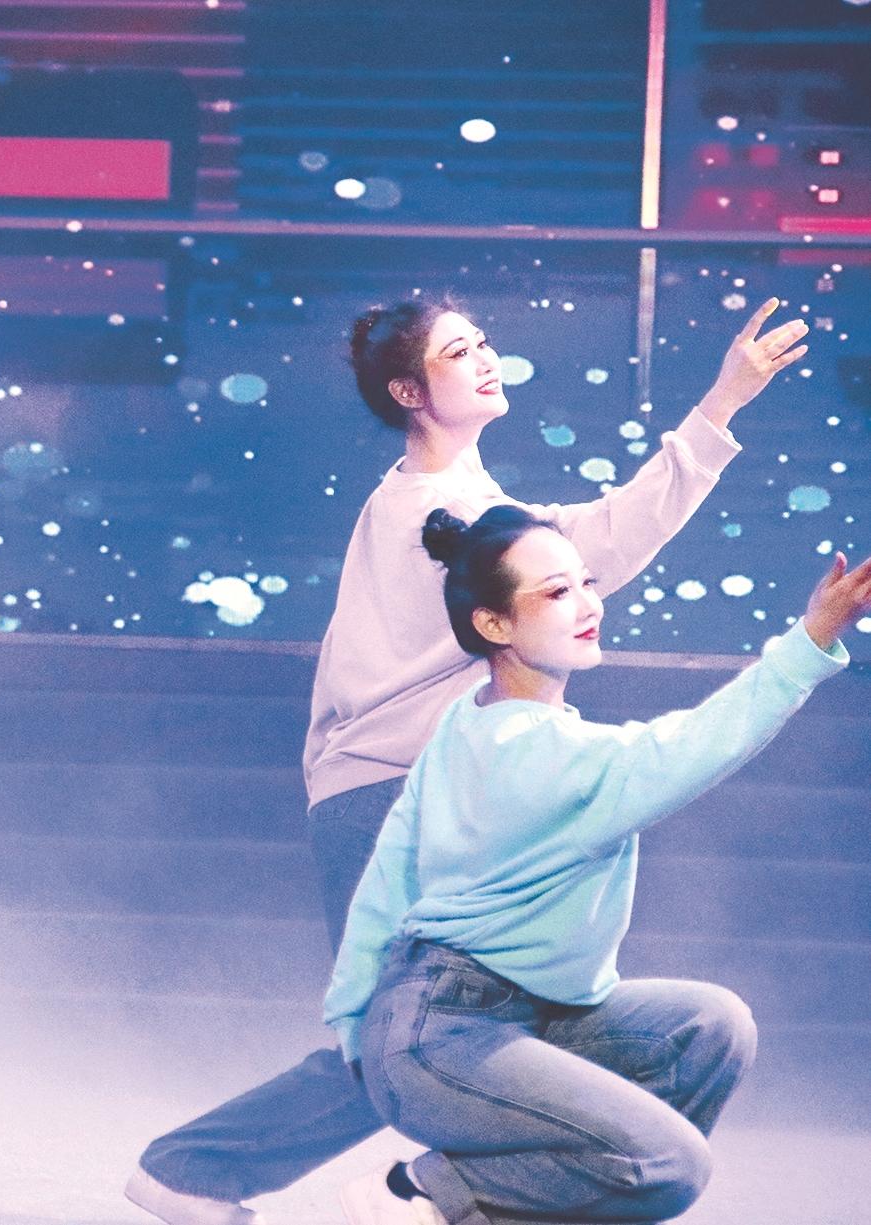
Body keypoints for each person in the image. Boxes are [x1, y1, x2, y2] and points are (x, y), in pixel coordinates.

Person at [127, 294, 810, 1225]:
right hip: (392, 786)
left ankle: (499, 1194)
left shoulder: (465, 500)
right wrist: (720, 405)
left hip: (422, 784)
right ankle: (213, 1171)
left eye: (484, 340)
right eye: (458, 351)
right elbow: (604, 541)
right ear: (410, 391)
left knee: (457, 1033)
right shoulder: (434, 508)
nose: (487, 357)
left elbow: (590, 543)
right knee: (416, 1037)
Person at [321, 505, 870, 1225]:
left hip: (499, 1022)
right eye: (556, 592)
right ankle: (419, 1192)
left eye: (587, 582)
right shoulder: (550, 757)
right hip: (442, 1038)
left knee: (708, 1025)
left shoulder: (470, 717)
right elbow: (696, 745)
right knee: (670, 1163)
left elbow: (392, 873)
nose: (588, 605)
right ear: (493, 624)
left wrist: (354, 1019)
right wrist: (812, 639)